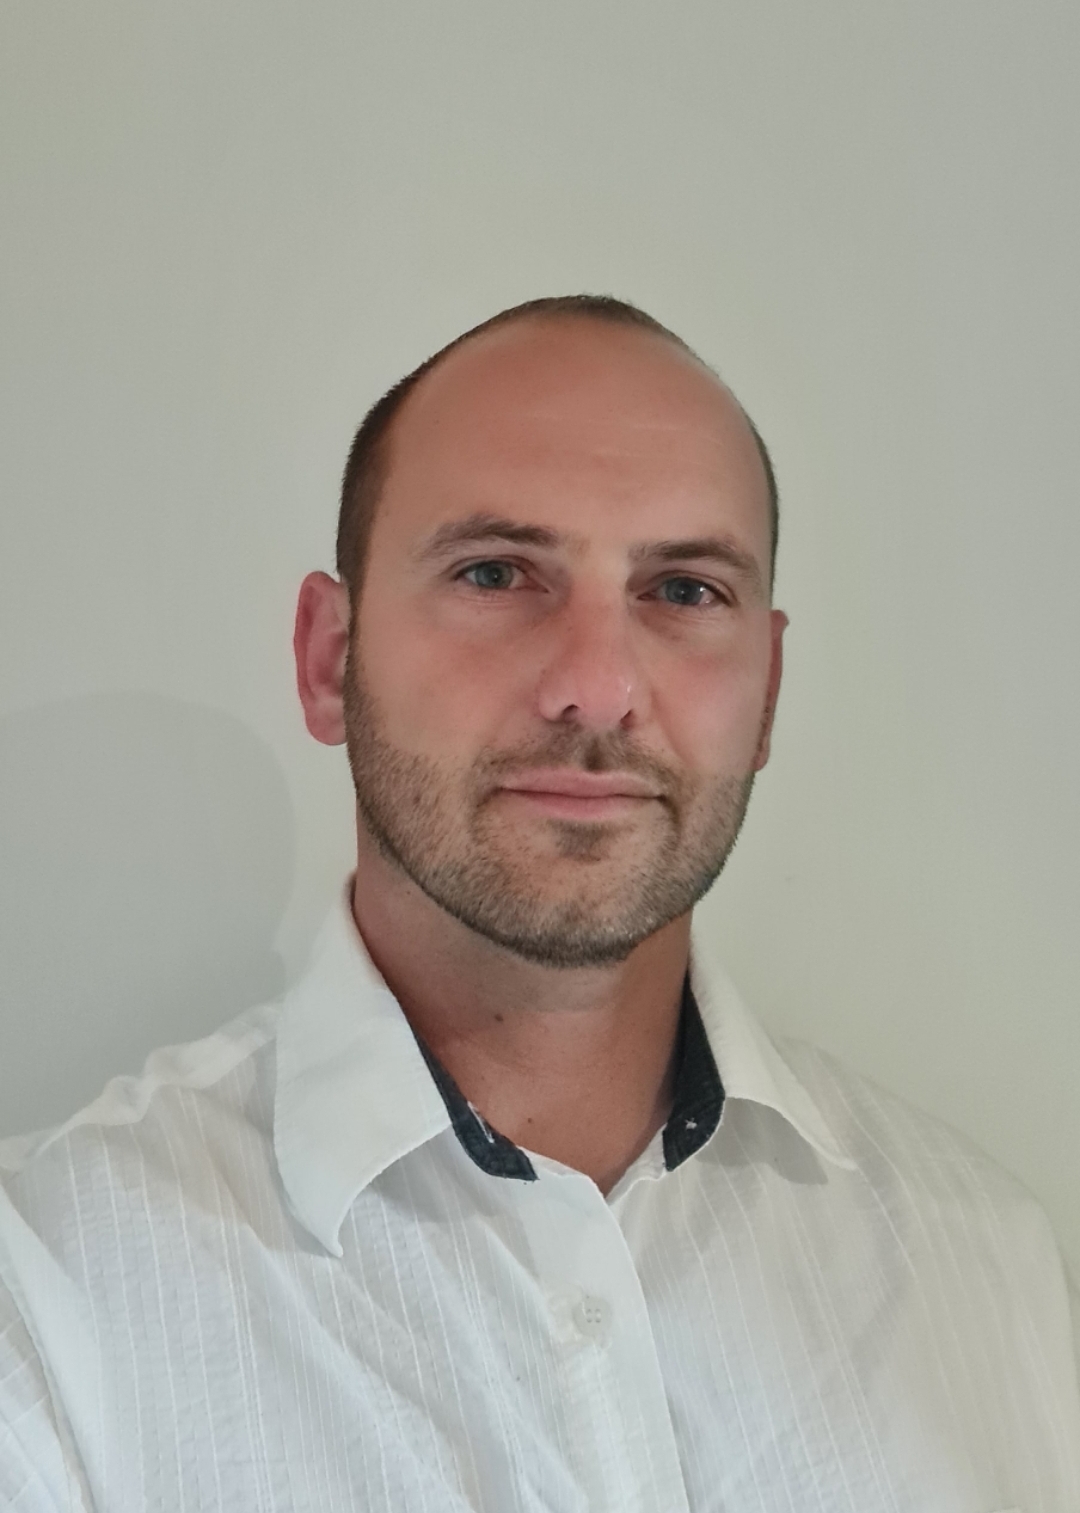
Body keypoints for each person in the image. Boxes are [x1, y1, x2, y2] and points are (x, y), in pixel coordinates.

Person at [1, 295, 1077, 1512]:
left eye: (684, 591)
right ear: (328, 658)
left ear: (768, 693)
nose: (598, 687)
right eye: (496, 573)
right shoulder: (46, 1304)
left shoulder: (995, 1274)